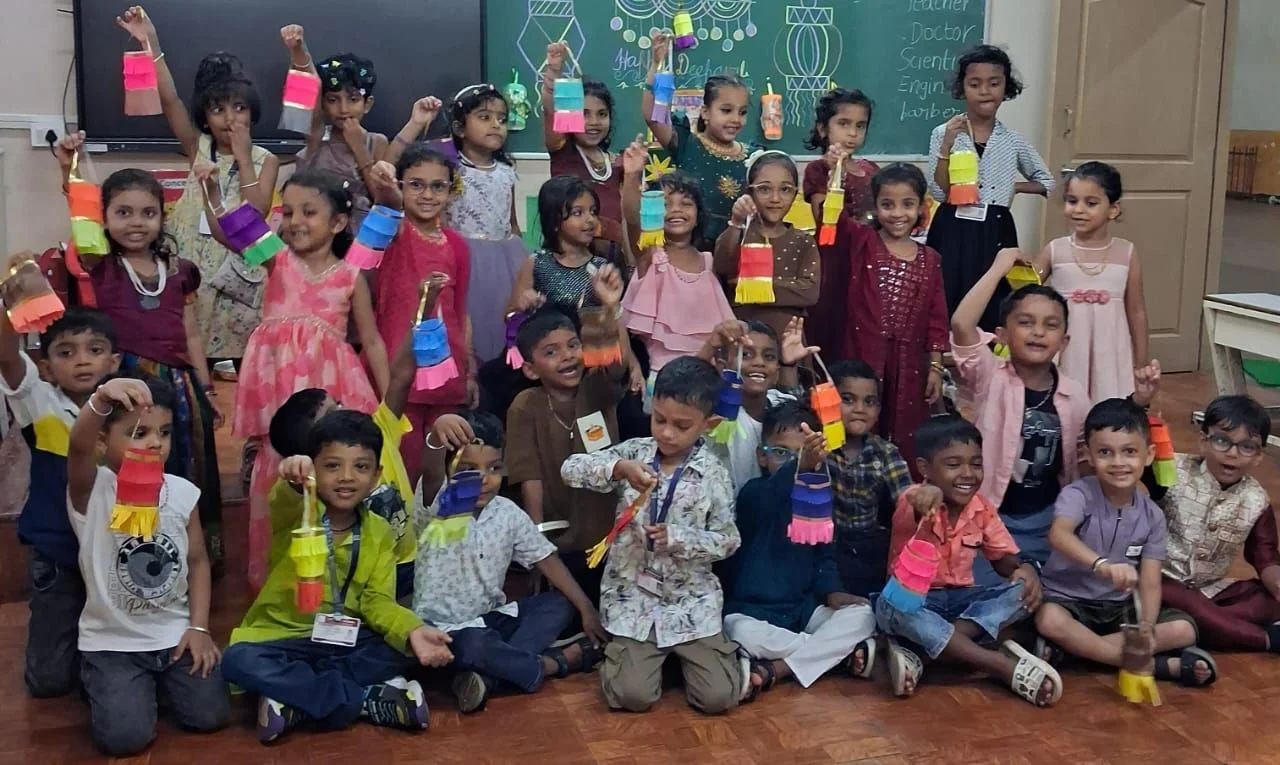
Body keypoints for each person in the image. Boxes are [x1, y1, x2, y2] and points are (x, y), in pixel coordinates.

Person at [222, 410, 454, 744]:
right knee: (238, 659)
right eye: (332, 466)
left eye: (360, 467)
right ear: (314, 470)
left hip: (347, 638)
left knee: (410, 645)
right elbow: (286, 497)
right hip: (286, 637)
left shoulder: (380, 530)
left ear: (376, 476)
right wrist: (294, 477)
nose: (346, 477)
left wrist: (412, 630)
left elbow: (377, 602)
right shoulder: (299, 513)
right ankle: (364, 701)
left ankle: (296, 700)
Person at [50, 140, 224, 564]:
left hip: (180, 386)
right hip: (128, 382)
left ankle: (187, 554)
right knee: (130, 464)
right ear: (105, 218)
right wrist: (69, 170)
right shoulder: (101, 264)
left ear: (162, 218)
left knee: (186, 462)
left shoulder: (181, 272)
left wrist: (205, 387)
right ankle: (132, 554)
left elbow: (191, 333)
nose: (136, 223)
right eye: (123, 213)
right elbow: (80, 213)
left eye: (148, 213)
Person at [226, 172, 388, 589]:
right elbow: (231, 228)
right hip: (280, 392)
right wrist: (211, 190)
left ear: (338, 223)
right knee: (276, 469)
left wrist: (388, 402)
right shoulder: (277, 260)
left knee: (332, 465)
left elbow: (371, 339)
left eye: (309, 212)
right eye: (288, 212)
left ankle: (334, 578)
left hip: (330, 386)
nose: (295, 221)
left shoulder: (350, 275)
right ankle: (278, 583)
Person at [561, 356, 745, 714]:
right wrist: (618, 468)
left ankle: (677, 661)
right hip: (634, 599)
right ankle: (649, 663)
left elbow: (728, 539)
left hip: (690, 604)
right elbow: (571, 469)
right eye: (659, 419)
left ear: (709, 424)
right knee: (633, 696)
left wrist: (679, 539)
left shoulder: (714, 473)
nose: (667, 433)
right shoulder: (636, 452)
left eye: (682, 425)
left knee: (719, 698)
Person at [66, 373, 229, 755]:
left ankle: (149, 687)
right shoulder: (93, 489)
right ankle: (106, 683)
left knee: (210, 716)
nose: (155, 442)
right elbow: (77, 446)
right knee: (124, 740)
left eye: (164, 432)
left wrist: (199, 627)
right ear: (103, 442)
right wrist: (101, 399)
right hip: (112, 644)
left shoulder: (182, 493)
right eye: (139, 433)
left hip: (173, 636)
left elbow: (197, 561)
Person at [117, 6, 279, 366]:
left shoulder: (265, 160)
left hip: (237, 272)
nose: (230, 118)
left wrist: (242, 156)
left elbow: (256, 212)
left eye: (239, 107)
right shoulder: (198, 147)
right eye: (218, 110)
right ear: (204, 117)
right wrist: (150, 40)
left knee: (236, 355)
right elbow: (170, 99)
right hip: (192, 262)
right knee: (189, 345)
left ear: (252, 111)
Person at [415, 411, 607, 712]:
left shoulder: (507, 512)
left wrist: (586, 609)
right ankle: (552, 664)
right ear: (449, 472)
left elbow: (547, 559)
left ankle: (486, 676)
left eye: (494, 467)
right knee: (473, 645)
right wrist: (437, 435)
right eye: (467, 469)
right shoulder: (440, 502)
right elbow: (431, 469)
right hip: (443, 631)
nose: (484, 479)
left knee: (557, 606)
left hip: (491, 620)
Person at [261, 296, 438, 600]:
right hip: (353, 578)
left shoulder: (378, 431)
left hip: (408, 566)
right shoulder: (307, 483)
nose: (345, 409)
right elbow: (287, 496)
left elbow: (400, 377)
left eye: (339, 403)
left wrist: (423, 308)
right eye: (333, 413)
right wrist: (295, 476)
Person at [874, 416, 1058, 707]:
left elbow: (1003, 560)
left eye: (976, 464)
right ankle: (997, 663)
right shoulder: (914, 498)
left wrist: (1023, 570)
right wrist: (929, 494)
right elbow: (918, 502)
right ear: (924, 468)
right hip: (913, 602)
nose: (968, 474)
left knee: (1022, 593)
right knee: (896, 607)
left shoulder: (980, 506)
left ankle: (920, 655)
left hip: (960, 603)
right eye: (953, 464)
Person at [1036, 397, 1216, 690]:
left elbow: (1150, 582)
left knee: (1184, 629)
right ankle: (1149, 665)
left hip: (1119, 608)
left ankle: (1072, 652)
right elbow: (1059, 535)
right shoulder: (1078, 494)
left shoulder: (1153, 516)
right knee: (1050, 619)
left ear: (1149, 455)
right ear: (1089, 455)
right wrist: (1102, 565)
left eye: (1129, 452)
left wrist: (1146, 627)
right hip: (1068, 600)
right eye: (1105, 452)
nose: (1118, 463)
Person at [950, 249, 1092, 580]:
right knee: (983, 590)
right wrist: (998, 268)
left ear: (1064, 341)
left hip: (1047, 523)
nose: (1038, 332)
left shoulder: (1075, 395)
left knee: (1048, 592)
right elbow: (961, 324)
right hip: (989, 521)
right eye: (1025, 322)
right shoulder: (989, 376)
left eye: (1050, 325)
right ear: (1001, 334)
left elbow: (1082, 461)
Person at [719, 402, 877, 697]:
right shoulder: (753, 492)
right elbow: (776, 494)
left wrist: (832, 592)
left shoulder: (817, 498)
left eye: (801, 452)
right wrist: (800, 465)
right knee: (739, 632)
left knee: (864, 615)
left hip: (803, 611)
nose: (790, 460)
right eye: (781, 452)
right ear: (762, 456)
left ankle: (777, 669)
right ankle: (838, 657)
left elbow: (824, 555)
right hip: (752, 612)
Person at [1, 304, 119, 698]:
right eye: (66, 352)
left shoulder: (130, 406)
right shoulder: (40, 402)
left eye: (95, 350)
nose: (82, 361)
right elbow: (6, 355)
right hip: (58, 549)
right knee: (49, 682)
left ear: (114, 361)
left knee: (114, 645)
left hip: (113, 547)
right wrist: (11, 302)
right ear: (47, 368)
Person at [506, 269, 630, 604]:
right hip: (558, 540)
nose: (567, 356)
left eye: (573, 345)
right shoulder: (525, 405)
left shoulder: (596, 386)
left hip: (610, 535)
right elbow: (528, 475)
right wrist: (538, 546)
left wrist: (611, 309)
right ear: (530, 368)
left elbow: (617, 366)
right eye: (551, 352)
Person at [927, 44, 1053, 331]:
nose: (985, 91)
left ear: (1006, 87)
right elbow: (939, 191)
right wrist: (946, 146)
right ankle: (945, 354)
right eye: (975, 84)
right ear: (962, 88)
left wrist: (1015, 187)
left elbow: (1047, 182)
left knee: (994, 298)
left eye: (994, 83)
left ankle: (990, 353)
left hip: (996, 228)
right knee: (947, 294)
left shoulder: (1013, 140)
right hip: (953, 226)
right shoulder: (944, 133)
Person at [369, 145, 475, 480]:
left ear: (450, 191)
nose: (427, 195)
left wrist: (469, 371)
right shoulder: (394, 232)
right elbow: (384, 209)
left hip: (447, 370)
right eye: (416, 185)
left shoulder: (458, 245)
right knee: (402, 465)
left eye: (438, 186)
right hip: (400, 369)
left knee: (440, 472)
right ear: (401, 185)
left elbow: (460, 311)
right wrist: (386, 190)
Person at [838, 163, 948, 471]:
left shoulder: (930, 259)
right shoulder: (863, 243)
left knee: (905, 428)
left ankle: (898, 485)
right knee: (859, 421)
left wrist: (935, 367)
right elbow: (834, 218)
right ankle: (854, 477)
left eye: (907, 204)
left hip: (909, 363)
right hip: (864, 353)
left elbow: (937, 318)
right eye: (887, 205)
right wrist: (835, 167)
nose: (897, 213)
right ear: (875, 207)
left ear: (922, 207)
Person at [1153, 394, 1280, 654]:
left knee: (1266, 599)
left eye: (1247, 447)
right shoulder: (1172, 469)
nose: (1232, 454)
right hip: (1158, 580)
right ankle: (1264, 639)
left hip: (1209, 591)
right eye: (1222, 441)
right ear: (1203, 441)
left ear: (1259, 456)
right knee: (1184, 600)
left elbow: (1265, 556)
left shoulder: (1256, 500)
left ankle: (1204, 627)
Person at [1019, 161, 1148, 402]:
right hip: (1067, 349)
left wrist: (1141, 363)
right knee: (1064, 402)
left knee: (1109, 408)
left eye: (1091, 203)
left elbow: (1136, 311)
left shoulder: (1127, 253)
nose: (1078, 210)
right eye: (1072, 201)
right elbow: (1024, 295)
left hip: (1110, 350)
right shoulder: (1055, 250)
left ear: (1113, 209)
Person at [620, 140, 734, 378]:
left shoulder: (708, 261)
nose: (676, 210)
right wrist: (632, 176)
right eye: (665, 204)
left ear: (699, 214)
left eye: (686, 204)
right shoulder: (651, 255)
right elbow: (632, 219)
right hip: (662, 376)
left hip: (708, 375)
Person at [644, 32, 756, 245]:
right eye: (726, 110)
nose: (735, 119)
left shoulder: (753, 157)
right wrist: (656, 64)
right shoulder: (688, 144)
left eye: (742, 112)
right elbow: (652, 116)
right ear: (705, 112)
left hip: (735, 249)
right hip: (690, 247)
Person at [448, 83, 527, 362]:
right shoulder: (451, 170)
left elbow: (512, 222)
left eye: (502, 119)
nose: (496, 125)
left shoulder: (506, 172)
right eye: (484, 117)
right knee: (470, 325)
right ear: (460, 128)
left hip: (506, 260)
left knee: (504, 322)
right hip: (465, 259)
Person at [824, 360, 915, 598]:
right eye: (848, 399)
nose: (860, 409)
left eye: (869, 402)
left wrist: (920, 497)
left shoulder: (884, 452)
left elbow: (905, 496)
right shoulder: (818, 444)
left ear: (879, 409)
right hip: (825, 546)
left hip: (868, 546)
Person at [281, 26, 387, 231]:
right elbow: (308, 90)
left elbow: (382, 201)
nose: (343, 109)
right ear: (322, 103)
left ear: (367, 104)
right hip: (312, 232)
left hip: (358, 237)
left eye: (353, 99)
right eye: (333, 100)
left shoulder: (376, 142)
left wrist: (360, 149)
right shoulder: (317, 136)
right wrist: (298, 51)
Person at [803, 88, 879, 357]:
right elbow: (825, 219)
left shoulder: (871, 170)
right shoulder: (817, 169)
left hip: (868, 259)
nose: (852, 133)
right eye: (843, 124)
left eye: (860, 126)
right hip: (834, 262)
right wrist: (835, 172)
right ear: (823, 129)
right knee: (833, 326)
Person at [715, 151, 821, 343]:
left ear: (795, 193)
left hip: (788, 340)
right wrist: (736, 223)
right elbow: (722, 267)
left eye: (785, 189)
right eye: (764, 189)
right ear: (749, 193)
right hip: (744, 339)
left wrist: (751, 287)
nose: (775, 198)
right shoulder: (739, 235)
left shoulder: (803, 241)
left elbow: (809, 292)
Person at [695, 318, 806, 492]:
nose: (759, 362)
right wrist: (710, 345)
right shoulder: (720, 412)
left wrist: (789, 364)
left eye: (769, 357)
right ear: (722, 364)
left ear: (777, 369)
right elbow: (686, 390)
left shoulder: (783, 401)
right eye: (746, 354)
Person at [542, 42, 625, 247]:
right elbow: (551, 109)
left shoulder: (617, 163)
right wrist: (554, 71)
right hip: (569, 257)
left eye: (602, 114)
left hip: (610, 259)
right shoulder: (563, 151)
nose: (594, 122)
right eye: (584, 114)